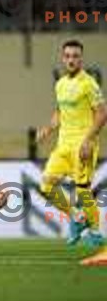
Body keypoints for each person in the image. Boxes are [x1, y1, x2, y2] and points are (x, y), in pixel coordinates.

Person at [36, 40, 106, 251]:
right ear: (63, 58)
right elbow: (59, 112)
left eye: (75, 56)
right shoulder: (60, 84)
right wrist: (48, 129)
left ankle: (95, 233)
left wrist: (88, 140)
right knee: (46, 185)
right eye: (67, 56)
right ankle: (76, 217)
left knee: (83, 191)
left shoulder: (89, 83)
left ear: (81, 58)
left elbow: (102, 114)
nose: (71, 60)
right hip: (63, 146)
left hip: (82, 145)